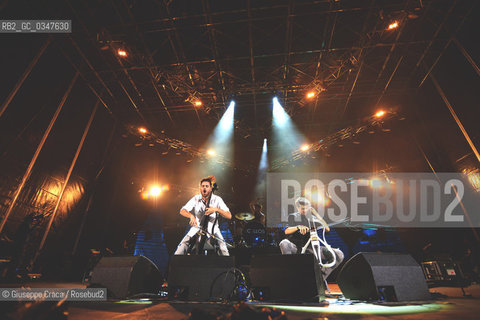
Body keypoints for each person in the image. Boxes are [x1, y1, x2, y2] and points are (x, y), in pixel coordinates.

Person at [279, 197, 344, 280]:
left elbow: (327, 229)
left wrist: (316, 214)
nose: (305, 211)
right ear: (297, 207)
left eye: (307, 208)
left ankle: (319, 279)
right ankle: (290, 276)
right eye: (302, 209)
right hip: (297, 247)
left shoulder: (313, 218)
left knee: (339, 254)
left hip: (312, 249)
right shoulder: (293, 216)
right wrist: (298, 227)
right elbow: (286, 231)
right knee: (284, 243)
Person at [174, 176, 232, 256]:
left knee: (223, 249)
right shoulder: (196, 198)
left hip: (213, 230)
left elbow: (229, 216)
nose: (204, 188)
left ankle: (227, 267)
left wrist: (216, 209)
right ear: (200, 188)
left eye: (207, 186)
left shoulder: (217, 199)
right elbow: (182, 210)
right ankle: (176, 265)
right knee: (182, 246)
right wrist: (191, 216)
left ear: (211, 188)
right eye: (202, 186)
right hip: (197, 228)